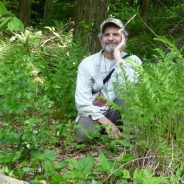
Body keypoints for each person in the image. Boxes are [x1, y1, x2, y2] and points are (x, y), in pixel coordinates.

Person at [75, 18, 142, 141]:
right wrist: (105, 122)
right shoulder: (87, 63)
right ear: (101, 39)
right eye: (107, 35)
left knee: (127, 98)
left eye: (116, 34)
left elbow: (130, 90)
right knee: (83, 135)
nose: (111, 38)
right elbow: (82, 103)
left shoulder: (133, 61)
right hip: (95, 112)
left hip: (119, 111)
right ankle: (110, 132)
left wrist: (118, 55)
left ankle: (130, 141)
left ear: (123, 38)